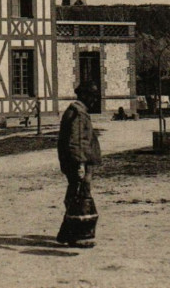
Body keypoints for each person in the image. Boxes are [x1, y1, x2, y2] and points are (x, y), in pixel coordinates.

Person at [56, 81, 102, 248]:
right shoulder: (79, 114)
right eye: (92, 97)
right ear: (84, 96)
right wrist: (80, 164)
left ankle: (66, 233)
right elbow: (76, 142)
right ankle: (77, 234)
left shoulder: (73, 111)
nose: (94, 101)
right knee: (80, 197)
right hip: (79, 163)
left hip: (73, 162)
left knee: (76, 195)